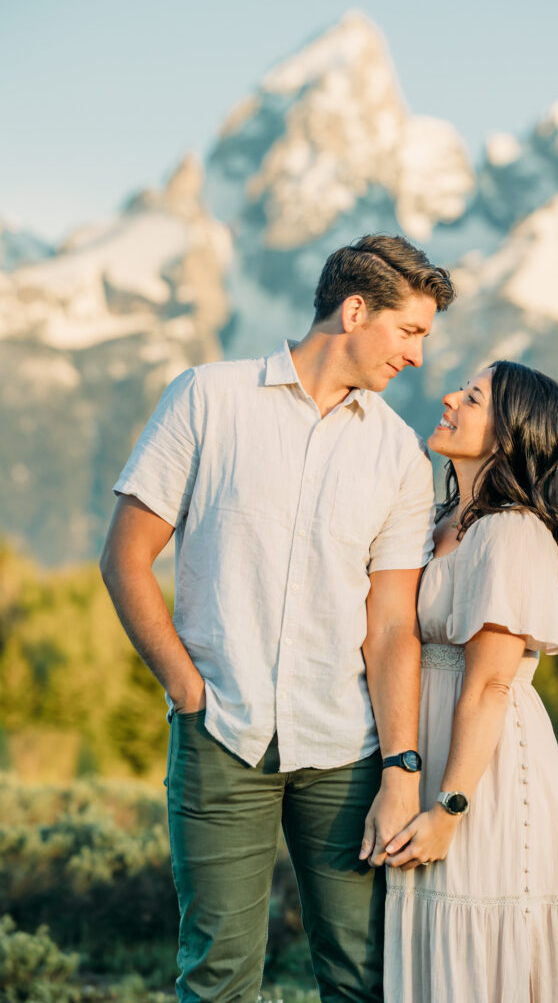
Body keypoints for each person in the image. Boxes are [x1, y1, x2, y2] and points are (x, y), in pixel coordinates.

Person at [99, 234, 455, 1003]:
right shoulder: (207, 397)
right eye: (410, 332)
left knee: (361, 976)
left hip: (345, 751)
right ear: (354, 310)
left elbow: (391, 624)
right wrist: (187, 690)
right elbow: (126, 558)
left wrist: (400, 767)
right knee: (218, 975)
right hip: (220, 732)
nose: (418, 357)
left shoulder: (397, 454)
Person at [383, 361, 558, 1001]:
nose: (449, 397)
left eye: (472, 397)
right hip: (432, 748)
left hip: (485, 771)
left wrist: (450, 809)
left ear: (510, 434)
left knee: (483, 924)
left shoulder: (512, 531)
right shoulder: (440, 523)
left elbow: (489, 687)